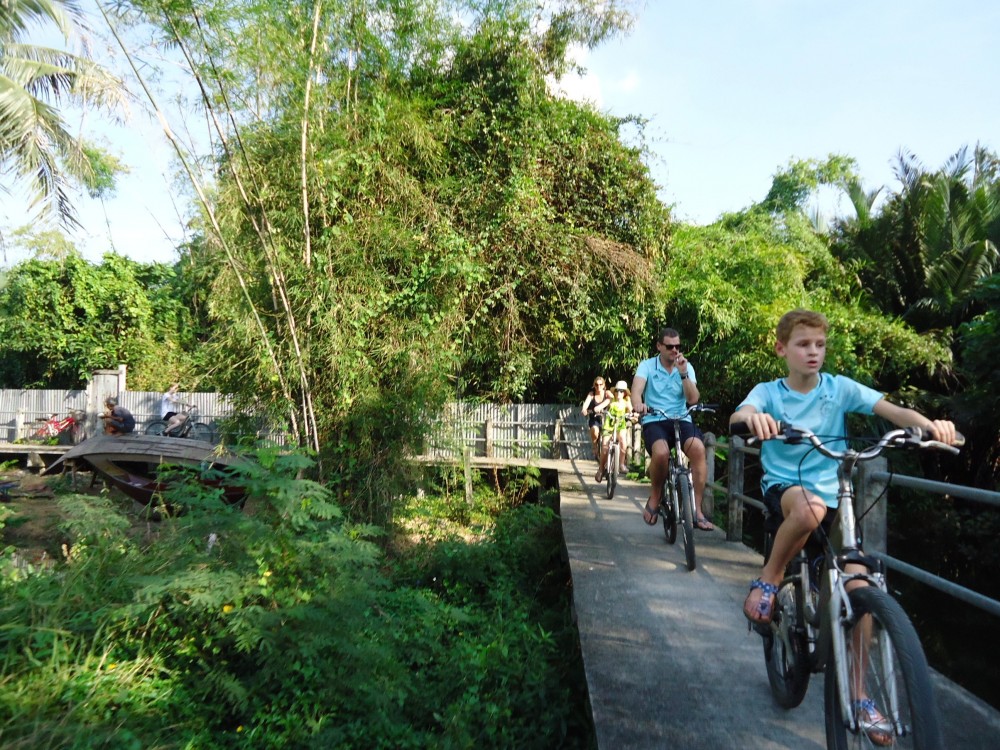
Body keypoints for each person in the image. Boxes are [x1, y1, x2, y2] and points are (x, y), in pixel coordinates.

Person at [729, 308, 956, 745]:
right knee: (811, 508)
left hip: (836, 491)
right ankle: (770, 578)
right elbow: (741, 416)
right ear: (782, 349)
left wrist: (930, 426)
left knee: (861, 579)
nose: (813, 352)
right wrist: (753, 420)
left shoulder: (838, 389)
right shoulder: (770, 392)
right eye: (802, 344)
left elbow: (891, 409)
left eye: (819, 345)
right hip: (789, 489)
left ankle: (858, 695)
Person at [631, 327, 714, 530]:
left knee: (698, 450)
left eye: (678, 346)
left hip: (681, 419)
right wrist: (638, 404)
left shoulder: (686, 367)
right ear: (659, 346)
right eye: (669, 346)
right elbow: (636, 391)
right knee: (661, 453)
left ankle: (696, 510)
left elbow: (693, 399)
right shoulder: (647, 366)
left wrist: (683, 373)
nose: (674, 350)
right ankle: (655, 496)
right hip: (655, 419)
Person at [595, 380, 633, 481]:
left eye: (621, 391)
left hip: (620, 426)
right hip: (609, 426)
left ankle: (621, 464)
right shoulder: (611, 400)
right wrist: (598, 408)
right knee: (604, 448)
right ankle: (601, 469)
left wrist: (634, 414)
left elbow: (632, 410)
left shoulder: (626, 402)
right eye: (617, 391)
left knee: (623, 442)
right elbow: (602, 405)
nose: (619, 393)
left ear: (624, 393)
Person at [580, 377, 611, 461]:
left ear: (604, 385)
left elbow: (613, 400)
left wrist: (602, 406)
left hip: (607, 418)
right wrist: (584, 410)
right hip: (595, 418)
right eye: (596, 385)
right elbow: (586, 404)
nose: (599, 386)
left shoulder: (607, 393)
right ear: (594, 385)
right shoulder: (591, 394)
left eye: (601, 384)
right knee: (594, 430)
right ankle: (595, 445)